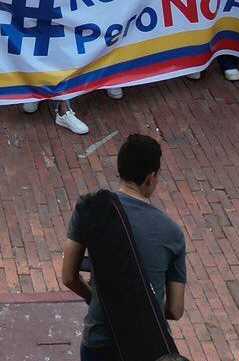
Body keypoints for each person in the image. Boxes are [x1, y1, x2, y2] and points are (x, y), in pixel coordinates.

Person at [60, 133, 187, 361]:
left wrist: (98, 299)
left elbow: (69, 277)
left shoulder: (91, 208)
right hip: (144, 345)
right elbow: (174, 310)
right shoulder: (172, 233)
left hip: (99, 340)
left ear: (120, 169)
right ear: (151, 178)